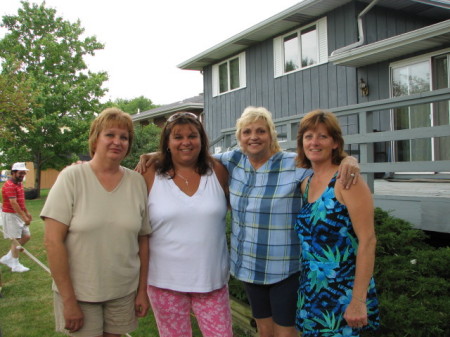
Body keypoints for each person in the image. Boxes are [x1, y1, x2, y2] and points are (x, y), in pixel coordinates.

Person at [138, 106, 359, 337]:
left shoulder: (294, 164)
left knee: (285, 332)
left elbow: (323, 163)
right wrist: (158, 155)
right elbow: (189, 153)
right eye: (247, 132)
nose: (254, 137)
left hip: (284, 267)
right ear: (239, 137)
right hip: (250, 268)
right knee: (264, 330)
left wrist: (347, 159)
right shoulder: (232, 161)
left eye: (261, 131)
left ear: (271, 134)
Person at [41, 108, 151, 337]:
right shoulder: (71, 178)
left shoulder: (136, 182)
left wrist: (142, 291)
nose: (117, 141)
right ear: (95, 139)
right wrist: (69, 301)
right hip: (81, 293)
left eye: (124, 137)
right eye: (110, 134)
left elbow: (143, 240)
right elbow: (53, 242)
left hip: (123, 291)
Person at [142, 112, 233, 337]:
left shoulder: (218, 171)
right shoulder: (149, 174)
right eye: (177, 137)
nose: (185, 142)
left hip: (211, 281)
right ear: (167, 142)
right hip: (164, 282)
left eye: (192, 136)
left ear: (202, 140)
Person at [294, 109, 380, 336]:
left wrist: (358, 300)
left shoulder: (347, 181)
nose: (314, 142)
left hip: (344, 295)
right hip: (311, 294)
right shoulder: (306, 184)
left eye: (322, 136)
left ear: (334, 142)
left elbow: (368, 241)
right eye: (308, 136)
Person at [0, 162, 32, 273]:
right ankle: (15, 264)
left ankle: (8, 258)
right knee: (16, 240)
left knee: (26, 236)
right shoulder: (9, 185)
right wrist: (24, 217)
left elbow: (21, 201)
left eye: (24, 173)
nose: (22, 175)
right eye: (20, 173)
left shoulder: (19, 183)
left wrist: (27, 213)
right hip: (11, 215)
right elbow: (13, 203)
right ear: (13, 173)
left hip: (19, 214)